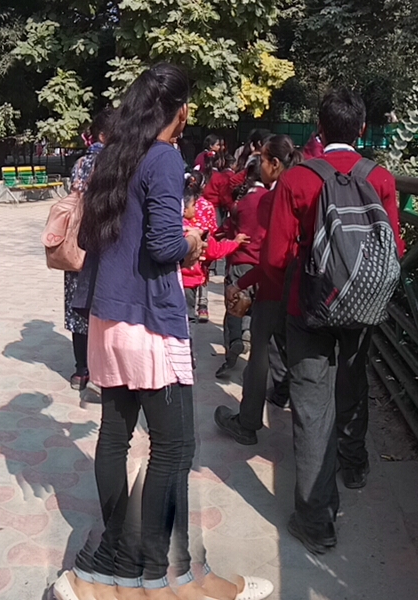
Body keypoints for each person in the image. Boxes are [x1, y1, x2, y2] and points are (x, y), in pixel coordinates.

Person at [54, 63, 271, 600]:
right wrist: (193, 243)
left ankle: (133, 567)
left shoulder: (112, 156)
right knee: (174, 447)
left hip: (107, 317)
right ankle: (147, 573)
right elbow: (162, 245)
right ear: (182, 110)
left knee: (116, 434)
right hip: (149, 320)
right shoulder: (165, 157)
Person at [242, 88, 401, 555]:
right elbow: (395, 247)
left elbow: (275, 258)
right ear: (362, 129)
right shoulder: (381, 178)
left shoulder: (297, 179)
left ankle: (316, 522)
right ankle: (355, 465)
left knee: (312, 407)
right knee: (353, 382)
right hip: (363, 303)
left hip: (307, 308)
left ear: (319, 128)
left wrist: (290, 292)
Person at [214, 133, 298, 417]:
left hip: (272, 282)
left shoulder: (272, 199)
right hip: (301, 285)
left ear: (274, 164)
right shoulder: (302, 190)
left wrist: (242, 282)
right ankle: (283, 395)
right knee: (282, 345)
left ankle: (248, 420)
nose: (259, 164)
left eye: (262, 159)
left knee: (259, 352)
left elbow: (271, 255)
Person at [63, 127, 105, 392]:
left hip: (77, 242)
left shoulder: (79, 164)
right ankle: (102, 369)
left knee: (77, 302)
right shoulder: (115, 161)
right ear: (103, 135)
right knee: (104, 306)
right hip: (106, 243)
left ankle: (81, 370)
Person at [180, 179, 221, 324]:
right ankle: (203, 306)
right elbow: (213, 228)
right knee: (203, 275)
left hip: (184, 261)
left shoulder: (181, 207)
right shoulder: (207, 205)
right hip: (203, 247)